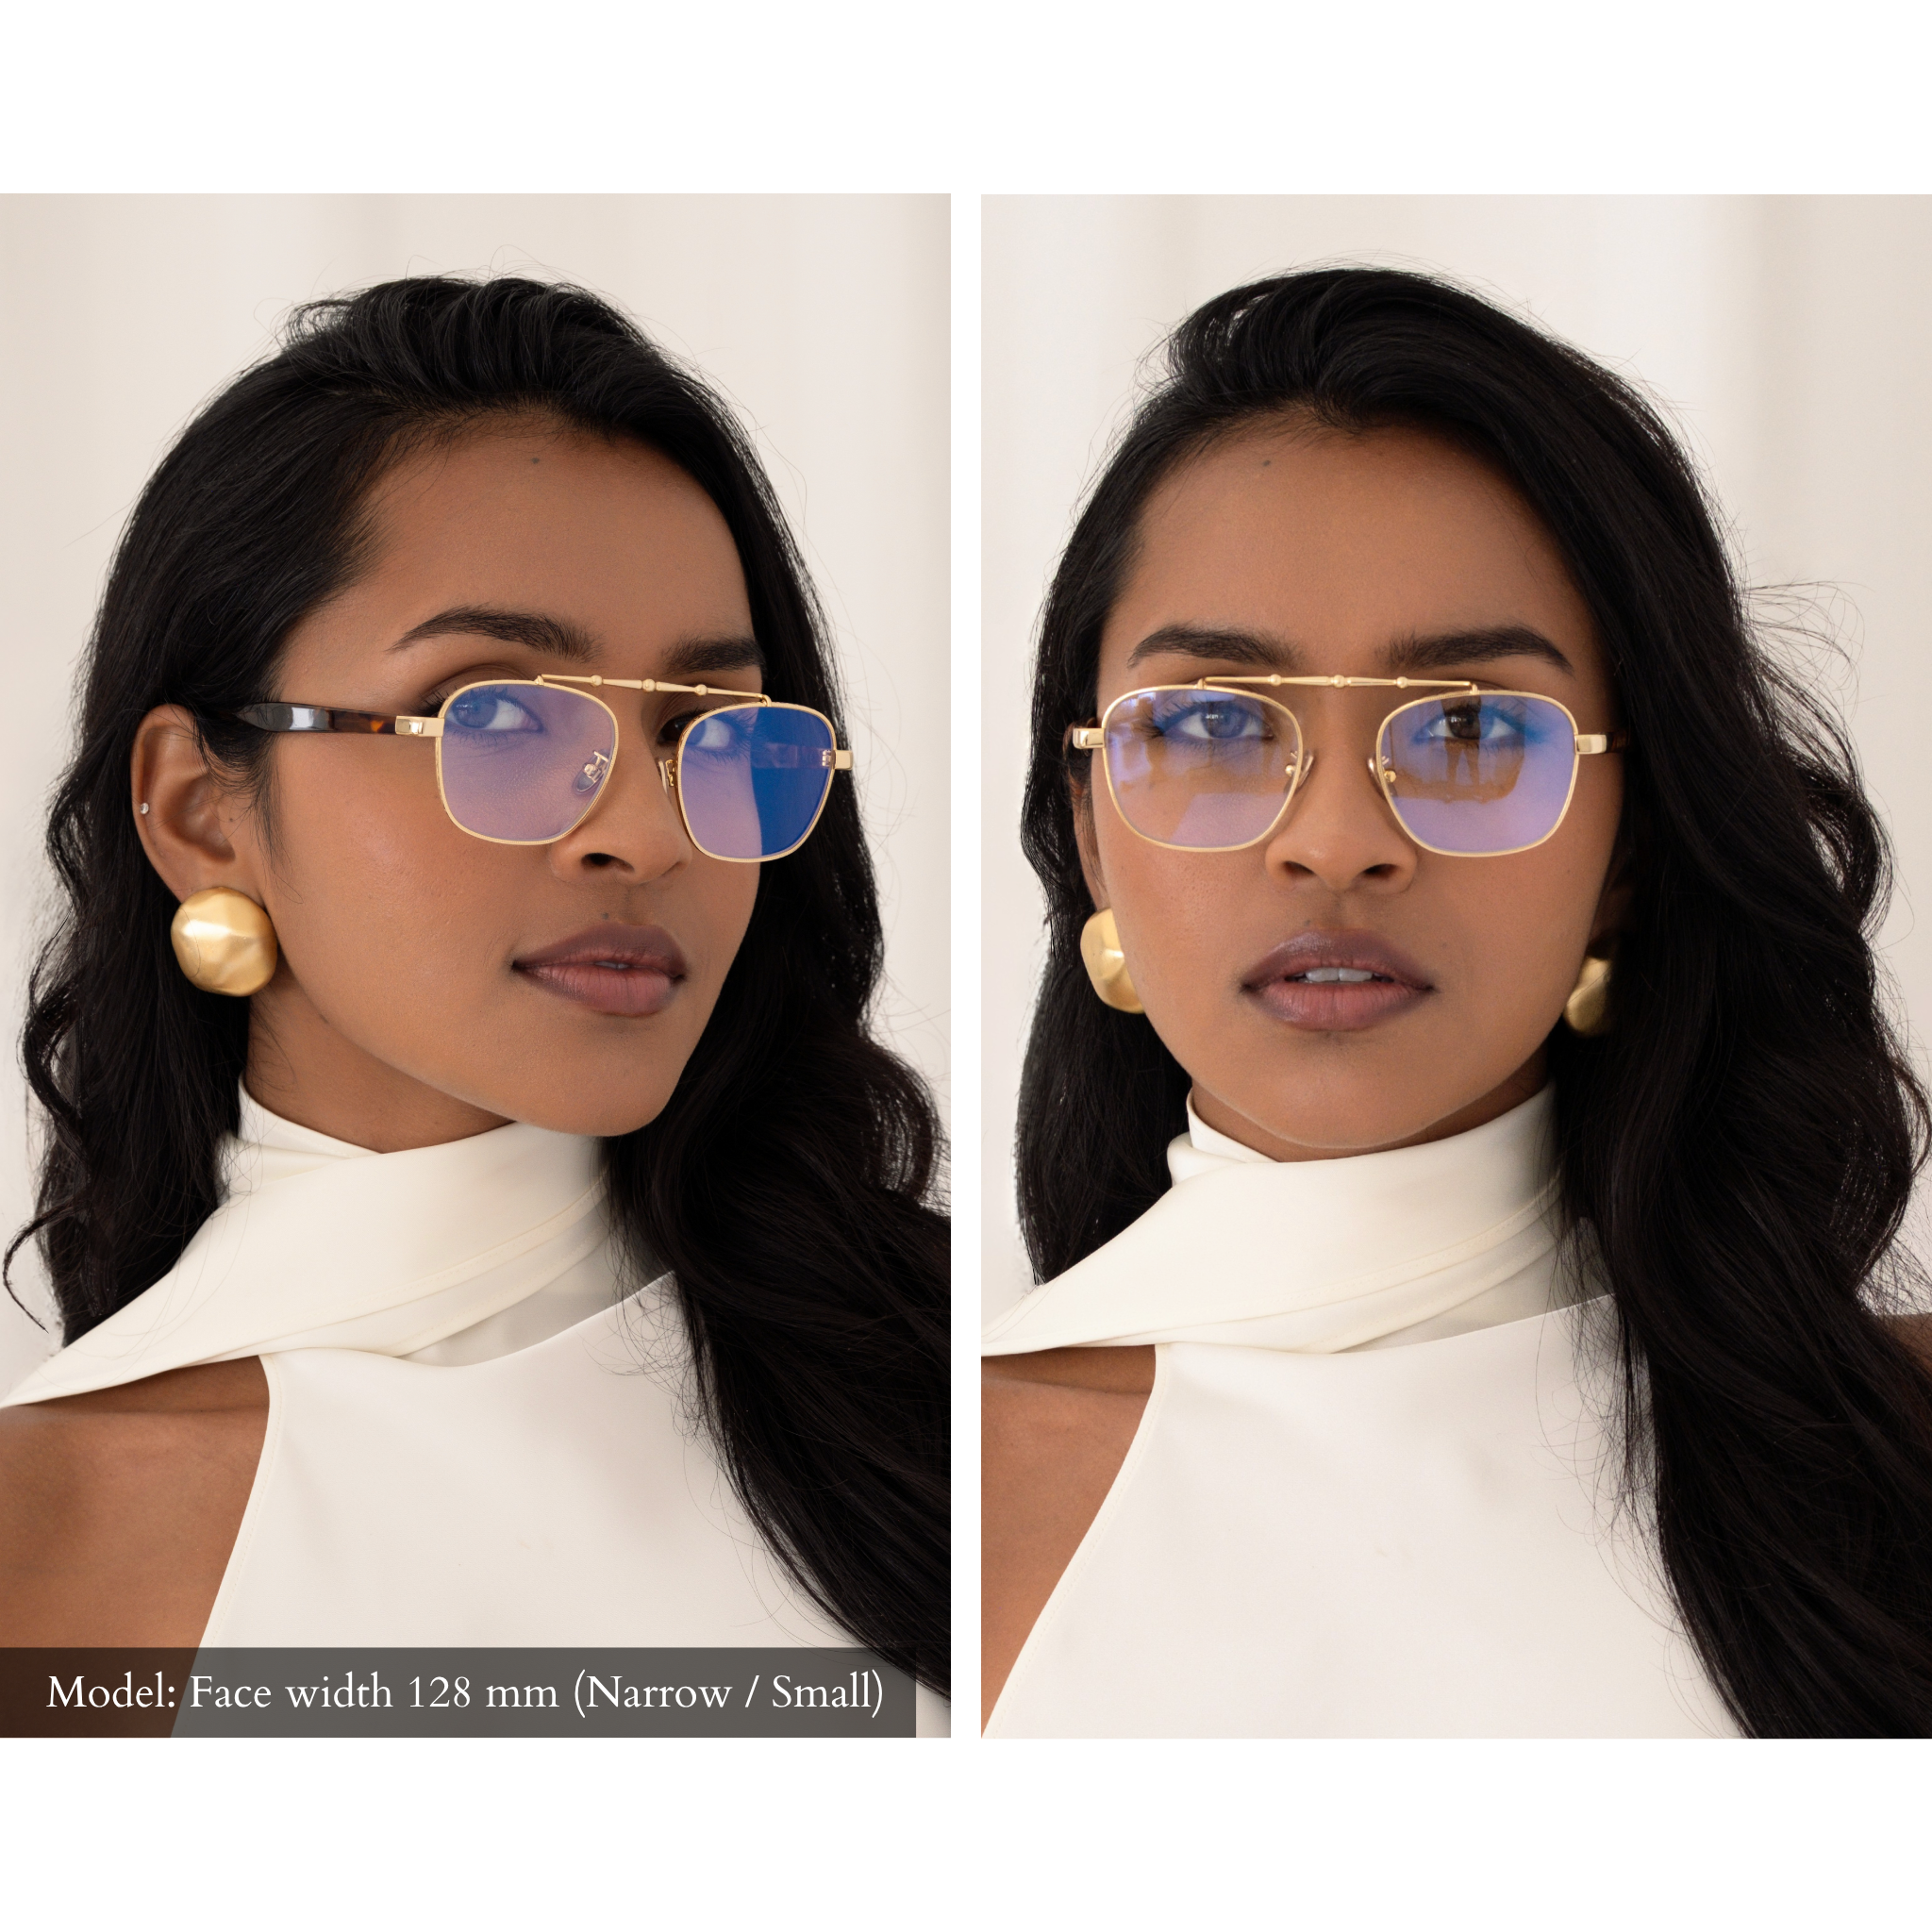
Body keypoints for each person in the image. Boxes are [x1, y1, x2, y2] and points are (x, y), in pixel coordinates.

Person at [983, 267, 1932, 1738]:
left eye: (1477, 728)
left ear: (1631, 849)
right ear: (1093, 825)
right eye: (1221, 723)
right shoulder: (909, 1496)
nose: (1339, 837)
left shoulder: (1893, 1447)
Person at [0, 275, 948, 1724]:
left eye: (706, 727)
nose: (642, 827)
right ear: (201, 811)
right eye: (495, 715)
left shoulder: (944, 1403)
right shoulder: (51, 1547)